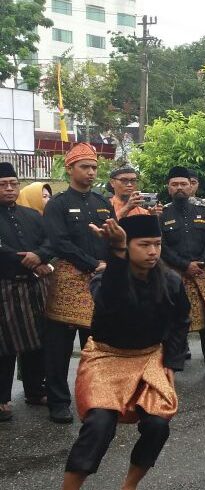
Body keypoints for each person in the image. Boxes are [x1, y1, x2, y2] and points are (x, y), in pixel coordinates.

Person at [49, 214, 190, 490]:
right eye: (144, 245)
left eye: (157, 244)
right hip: (106, 357)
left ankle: (129, 489)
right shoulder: (105, 278)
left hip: (149, 358)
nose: (153, 251)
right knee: (100, 423)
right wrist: (113, 254)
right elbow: (111, 301)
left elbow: (181, 320)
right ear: (127, 246)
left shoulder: (170, 281)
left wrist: (171, 360)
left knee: (157, 425)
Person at [42, 143, 114, 424]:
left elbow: (113, 236)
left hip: (101, 280)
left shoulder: (102, 203)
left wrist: (111, 265)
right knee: (59, 346)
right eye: (84, 166)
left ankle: (94, 398)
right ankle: (58, 402)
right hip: (68, 279)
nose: (90, 172)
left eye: (94, 167)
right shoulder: (57, 204)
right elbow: (59, 242)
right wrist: (92, 263)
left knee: (96, 344)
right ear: (70, 168)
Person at [159, 166, 205, 378]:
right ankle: (169, 371)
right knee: (173, 324)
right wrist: (184, 265)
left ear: (191, 187)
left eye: (183, 184)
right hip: (175, 276)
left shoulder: (204, 213)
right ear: (168, 188)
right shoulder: (161, 216)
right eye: (175, 184)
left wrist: (202, 262)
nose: (179, 188)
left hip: (202, 274)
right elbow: (161, 246)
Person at [0, 162, 52, 421]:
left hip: (35, 288)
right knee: (4, 346)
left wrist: (40, 255)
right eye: (2, 184)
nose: (9, 188)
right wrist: (29, 260)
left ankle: (34, 390)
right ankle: (1, 399)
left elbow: (50, 240)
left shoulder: (31, 215)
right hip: (5, 288)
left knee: (37, 340)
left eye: (13, 183)